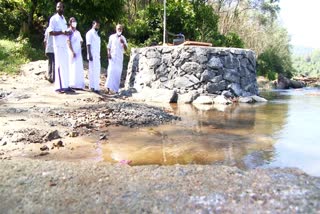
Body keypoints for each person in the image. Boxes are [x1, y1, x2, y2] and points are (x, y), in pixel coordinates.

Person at [48, 1, 73, 93]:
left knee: (65, 66)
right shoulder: (53, 19)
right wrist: (61, 32)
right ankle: (59, 87)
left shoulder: (64, 19)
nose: (59, 8)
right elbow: (50, 32)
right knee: (59, 65)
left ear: (63, 8)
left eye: (61, 7)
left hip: (64, 45)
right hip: (58, 46)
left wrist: (67, 32)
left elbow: (64, 31)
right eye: (58, 7)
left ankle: (66, 85)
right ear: (56, 8)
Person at [105, 24, 128, 94]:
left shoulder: (123, 38)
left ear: (122, 30)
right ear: (116, 29)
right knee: (111, 72)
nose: (119, 30)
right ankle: (108, 88)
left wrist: (123, 43)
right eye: (118, 28)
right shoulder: (111, 37)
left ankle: (115, 90)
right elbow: (108, 46)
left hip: (119, 59)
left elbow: (126, 49)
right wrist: (108, 54)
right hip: (112, 57)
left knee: (117, 73)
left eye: (120, 29)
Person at [67, 17, 85, 90]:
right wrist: (72, 51)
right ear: (70, 23)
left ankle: (79, 84)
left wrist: (79, 47)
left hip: (78, 52)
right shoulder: (69, 31)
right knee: (72, 67)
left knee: (78, 67)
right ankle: (72, 84)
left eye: (75, 21)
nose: (74, 22)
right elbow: (68, 41)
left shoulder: (77, 32)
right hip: (71, 52)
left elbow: (81, 41)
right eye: (73, 21)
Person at [86, 20, 101, 93]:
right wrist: (89, 54)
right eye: (96, 24)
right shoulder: (90, 33)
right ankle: (94, 87)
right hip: (92, 55)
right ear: (93, 24)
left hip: (97, 55)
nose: (97, 26)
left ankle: (94, 86)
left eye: (98, 25)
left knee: (96, 71)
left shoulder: (97, 34)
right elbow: (88, 44)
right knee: (93, 71)